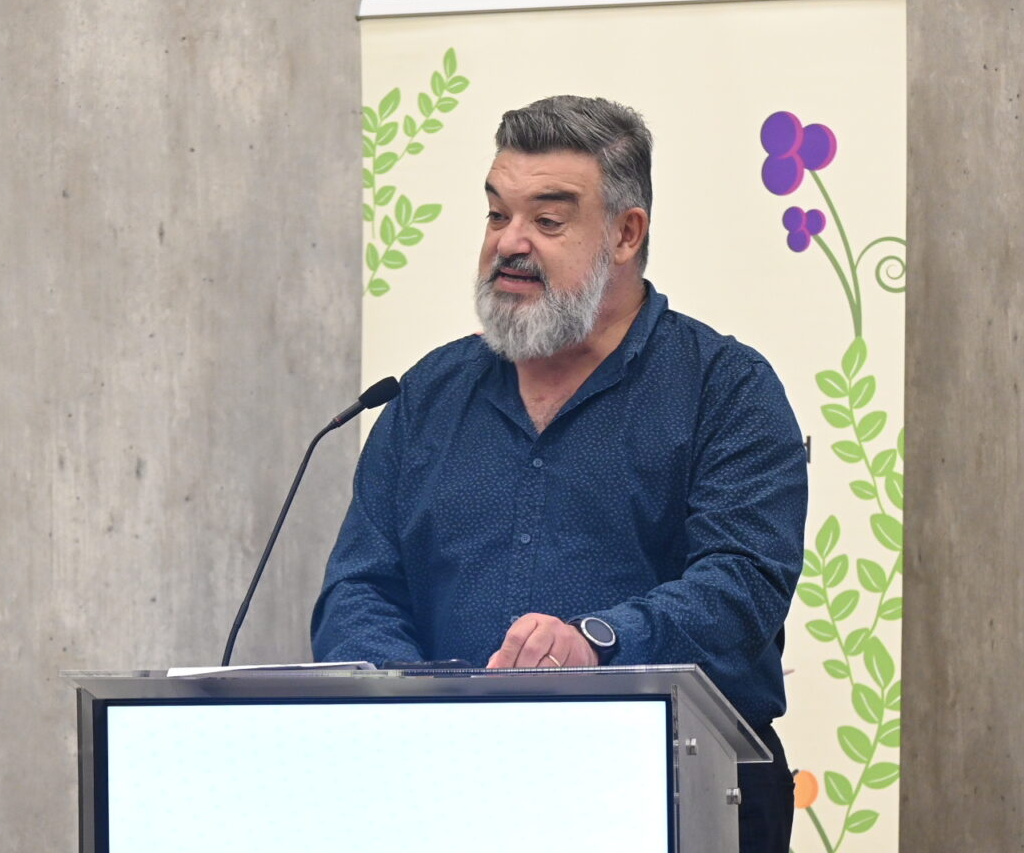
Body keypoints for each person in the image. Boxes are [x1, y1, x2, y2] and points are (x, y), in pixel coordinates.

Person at [312, 95, 807, 851]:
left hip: (672, 795)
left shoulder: (725, 389)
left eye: (547, 221)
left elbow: (741, 588)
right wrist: (416, 706)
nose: (509, 243)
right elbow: (360, 588)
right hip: (447, 793)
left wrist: (599, 644)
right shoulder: (426, 395)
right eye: (496, 214)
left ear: (626, 233)